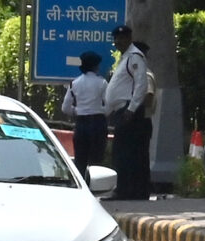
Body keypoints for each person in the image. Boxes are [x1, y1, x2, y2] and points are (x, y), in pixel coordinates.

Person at [105, 24, 156, 200]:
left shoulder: (135, 57)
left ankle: (125, 190)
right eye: (116, 39)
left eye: (122, 38)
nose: (118, 41)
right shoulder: (126, 58)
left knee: (125, 153)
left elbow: (141, 85)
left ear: (129, 38)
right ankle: (132, 190)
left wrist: (131, 109)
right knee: (129, 153)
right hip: (124, 110)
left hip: (130, 112)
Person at [65, 52, 110, 176]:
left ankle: (81, 186)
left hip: (81, 124)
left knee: (80, 160)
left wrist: (77, 111)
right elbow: (109, 105)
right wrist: (101, 112)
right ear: (96, 66)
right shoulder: (102, 83)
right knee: (96, 160)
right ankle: (96, 186)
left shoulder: (74, 83)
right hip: (98, 123)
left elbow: (65, 108)